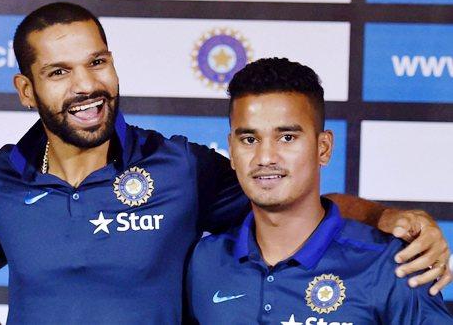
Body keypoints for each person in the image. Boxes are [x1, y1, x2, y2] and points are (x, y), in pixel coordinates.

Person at [0, 2, 450, 324]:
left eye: (96, 63)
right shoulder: (2, 178)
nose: (86, 86)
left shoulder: (179, 166)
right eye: (59, 72)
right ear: (26, 90)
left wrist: (385, 218)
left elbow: (287, 201)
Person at [186, 57, 453, 324]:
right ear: (231, 151)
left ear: (323, 148)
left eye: (287, 137)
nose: (265, 157)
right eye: (249, 139)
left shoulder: (392, 264)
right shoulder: (203, 262)